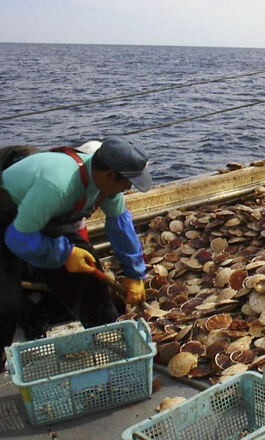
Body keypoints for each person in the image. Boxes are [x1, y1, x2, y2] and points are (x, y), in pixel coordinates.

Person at [0, 136, 152, 370]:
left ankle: (110, 339)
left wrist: (135, 275)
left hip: (40, 214)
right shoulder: (58, 183)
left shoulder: (106, 188)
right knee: (5, 303)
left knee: (90, 277)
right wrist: (64, 254)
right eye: (128, 182)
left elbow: (119, 224)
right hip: (7, 217)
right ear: (111, 174)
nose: (128, 188)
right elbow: (18, 238)